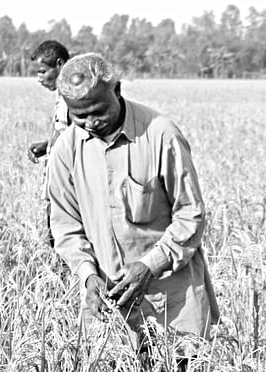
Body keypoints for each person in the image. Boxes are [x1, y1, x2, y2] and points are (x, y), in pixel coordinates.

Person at [47, 53, 220, 349]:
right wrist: (89, 277)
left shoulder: (160, 134)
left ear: (117, 90)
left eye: (98, 111)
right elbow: (66, 226)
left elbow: (191, 215)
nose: (91, 122)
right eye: (80, 116)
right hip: (110, 313)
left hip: (173, 306)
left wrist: (149, 266)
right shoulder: (66, 149)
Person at [25, 40, 70, 242]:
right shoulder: (62, 95)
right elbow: (66, 131)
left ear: (59, 65)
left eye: (42, 72)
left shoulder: (75, 96)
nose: (39, 78)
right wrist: (48, 145)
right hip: (58, 178)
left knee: (63, 235)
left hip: (68, 181)